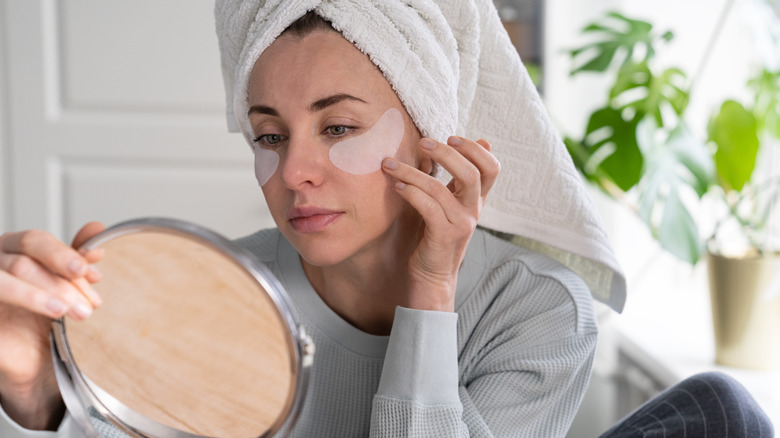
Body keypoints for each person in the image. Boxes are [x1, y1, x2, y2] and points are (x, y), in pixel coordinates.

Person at [0, 1, 772, 437]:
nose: (294, 171)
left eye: (338, 126)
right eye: (269, 136)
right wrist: (40, 387)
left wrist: (430, 292)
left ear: (433, 136)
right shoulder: (220, 290)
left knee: (723, 410)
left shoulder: (536, 309)